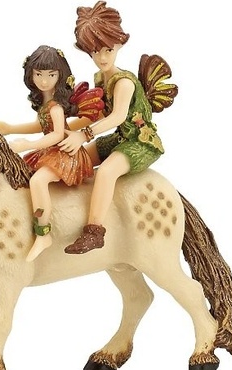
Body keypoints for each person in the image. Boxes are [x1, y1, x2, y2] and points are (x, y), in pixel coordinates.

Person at [59, 1, 177, 254]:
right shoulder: (101, 78)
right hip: (121, 138)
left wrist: (83, 135)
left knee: (106, 172)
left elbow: (117, 116)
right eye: (95, 51)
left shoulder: (124, 82)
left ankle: (94, 231)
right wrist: (68, 129)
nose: (102, 57)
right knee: (78, 157)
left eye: (108, 50)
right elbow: (100, 113)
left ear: (120, 45)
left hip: (139, 142)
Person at [0, 45, 103, 262]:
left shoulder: (55, 106)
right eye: (39, 75)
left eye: (51, 75)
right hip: (52, 150)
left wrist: (29, 144)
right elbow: (40, 126)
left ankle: (44, 234)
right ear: (31, 75)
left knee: (38, 181)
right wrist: (10, 128)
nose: (44, 81)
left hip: (66, 154)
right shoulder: (44, 102)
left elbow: (56, 134)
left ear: (59, 76)